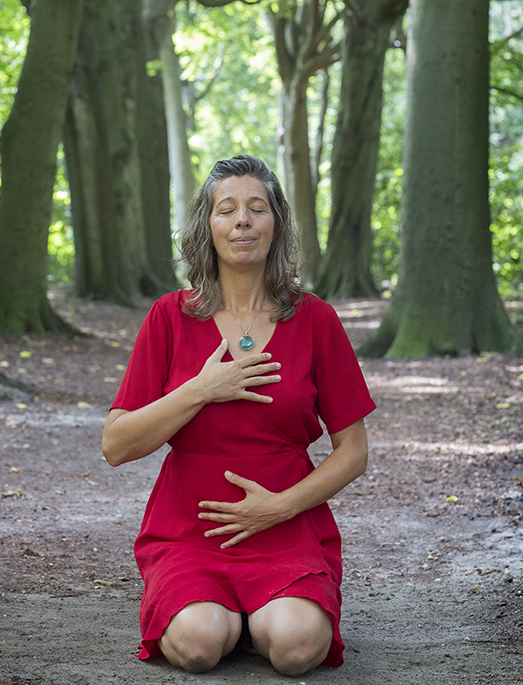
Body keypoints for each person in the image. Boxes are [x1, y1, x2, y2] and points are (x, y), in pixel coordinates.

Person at [102, 154, 376, 676]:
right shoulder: (169, 316)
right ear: (208, 226)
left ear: (277, 223)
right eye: (227, 209)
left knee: (298, 650)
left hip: (286, 525)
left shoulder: (315, 319)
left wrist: (279, 507)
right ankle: (227, 615)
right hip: (189, 528)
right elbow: (116, 445)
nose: (243, 220)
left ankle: (262, 617)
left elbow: (354, 451)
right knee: (199, 647)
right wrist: (202, 389)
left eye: (257, 207)